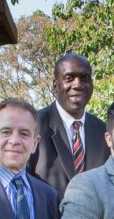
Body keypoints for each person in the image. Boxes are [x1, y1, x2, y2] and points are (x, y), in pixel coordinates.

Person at [31, 53, 109, 195]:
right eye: (69, 78)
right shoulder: (34, 125)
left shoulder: (103, 130)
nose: (78, 85)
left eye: (84, 78)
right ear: (55, 85)